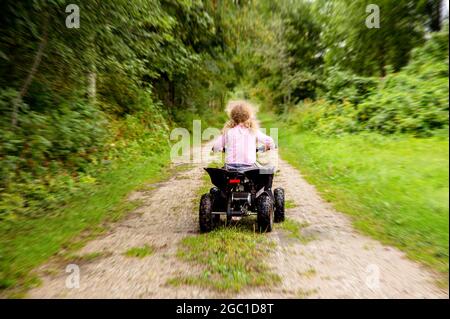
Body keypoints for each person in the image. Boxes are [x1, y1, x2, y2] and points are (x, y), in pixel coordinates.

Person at [212, 100, 275, 170]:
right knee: (260, 172)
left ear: (232, 117)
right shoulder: (253, 131)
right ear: (248, 117)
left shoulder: (229, 132)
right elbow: (270, 141)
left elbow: (216, 146)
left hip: (230, 167)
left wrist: (218, 149)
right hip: (249, 167)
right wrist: (270, 146)